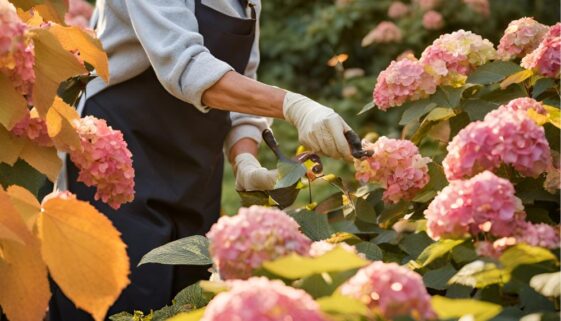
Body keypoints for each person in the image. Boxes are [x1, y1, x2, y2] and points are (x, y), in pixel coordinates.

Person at [49, 0, 354, 320]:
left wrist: (245, 160)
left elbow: (242, 81)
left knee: (187, 301)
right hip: (120, 156)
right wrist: (294, 105)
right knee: (122, 299)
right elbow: (186, 65)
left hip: (195, 169)